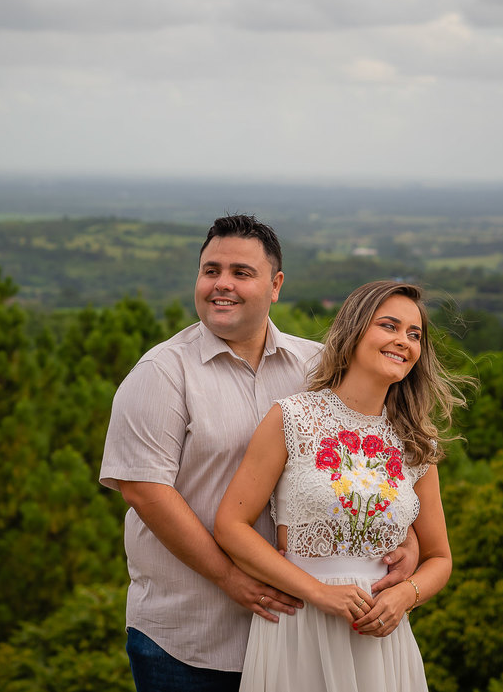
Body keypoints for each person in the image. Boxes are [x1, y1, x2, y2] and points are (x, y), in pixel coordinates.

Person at [100, 216, 417, 692]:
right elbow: (145, 492)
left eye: (241, 273)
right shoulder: (161, 373)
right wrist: (230, 577)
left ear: (275, 285)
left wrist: (399, 539)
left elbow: (369, 459)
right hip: (190, 636)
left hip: (303, 637)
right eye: (211, 270)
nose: (221, 284)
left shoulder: (318, 367)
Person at [215, 280, 466, 692]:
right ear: (354, 331)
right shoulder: (292, 418)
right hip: (300, 630)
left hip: (382, 640)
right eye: (389, 326)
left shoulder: (418, 442)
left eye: (414, 334)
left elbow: (440, 557)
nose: (403, 341)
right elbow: (231, 526)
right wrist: (317, 592)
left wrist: (406, 595)